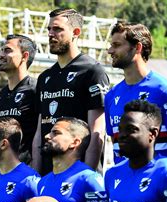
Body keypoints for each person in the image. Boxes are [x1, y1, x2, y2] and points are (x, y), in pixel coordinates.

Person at [32, 8, 110, 175]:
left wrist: (86, 177)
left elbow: (97, 133)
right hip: (48, 175)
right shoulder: (45, 77)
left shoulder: (92, 71)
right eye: (49, 29)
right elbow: (40, 132)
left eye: (57, 29)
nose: (51, 34)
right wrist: (37, 175)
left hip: (76, 175)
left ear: (75, 32)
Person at [105, 22, 167, 161]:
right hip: (123, 181)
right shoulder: (111, 96)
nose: (110, 51)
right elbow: (116, 147)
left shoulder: (164, 91)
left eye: (116, 45)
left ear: (137, 47)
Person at [0, 34, 38, 162]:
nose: (1, 55)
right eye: (1, 50)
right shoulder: (1, 94)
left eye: (7, 50)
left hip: (25, 172)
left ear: (24, 56)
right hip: (3, 171)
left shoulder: (35, 90)